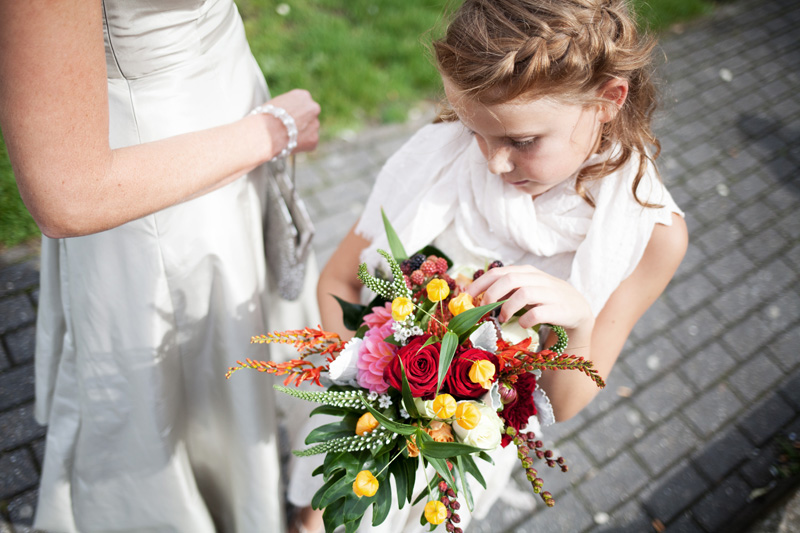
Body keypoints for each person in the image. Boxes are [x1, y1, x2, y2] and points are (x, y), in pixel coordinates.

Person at [291, 0, 688, 530]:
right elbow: (340, 280)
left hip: (453, 466)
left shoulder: (649, 234)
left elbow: (561, 406)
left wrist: (579, 324)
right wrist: (369, 389)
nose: (492, 161)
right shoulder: (438, 160)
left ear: (609, 99)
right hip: (366, 420)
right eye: (474, 130)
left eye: (522, 142)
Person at [0, 0, 321, 531]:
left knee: (232, 350)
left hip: (227, 96)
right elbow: (67, 194)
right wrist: (272, 130)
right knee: (167, 390)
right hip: (153, 183)